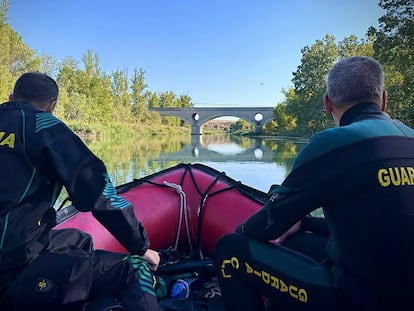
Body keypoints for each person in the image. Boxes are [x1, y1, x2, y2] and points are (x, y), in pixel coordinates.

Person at [214, 56, 414, 311]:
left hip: (358, 299)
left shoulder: (331, 144)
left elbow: (265, 226)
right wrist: (306, 223)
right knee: (296, 243)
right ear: (384, 99)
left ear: (327, 103)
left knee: (229, 251)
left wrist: (241, 231)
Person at [0, 72, 161, 310]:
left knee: (80, 239)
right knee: (135, 267)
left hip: (17, 250)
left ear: (11, 96)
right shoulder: (43, 126)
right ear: (51, 106)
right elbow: (98, 193)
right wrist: (141, 246)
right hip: (12, 269)